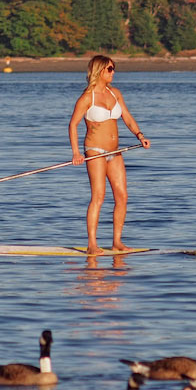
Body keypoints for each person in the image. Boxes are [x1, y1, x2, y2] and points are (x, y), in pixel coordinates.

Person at [69, 55, 150, 255]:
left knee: (122, 196)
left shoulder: (115, 94)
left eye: (113, 68)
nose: (113, 72)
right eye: (110, 69)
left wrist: (140, 135)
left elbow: (127, 117)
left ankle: (117, 242)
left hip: (116, 152)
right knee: (98, 197)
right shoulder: (88, 97)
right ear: (99, 71)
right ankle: (92, 245)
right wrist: (76, 152)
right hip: (95, 150)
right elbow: (73, 125)